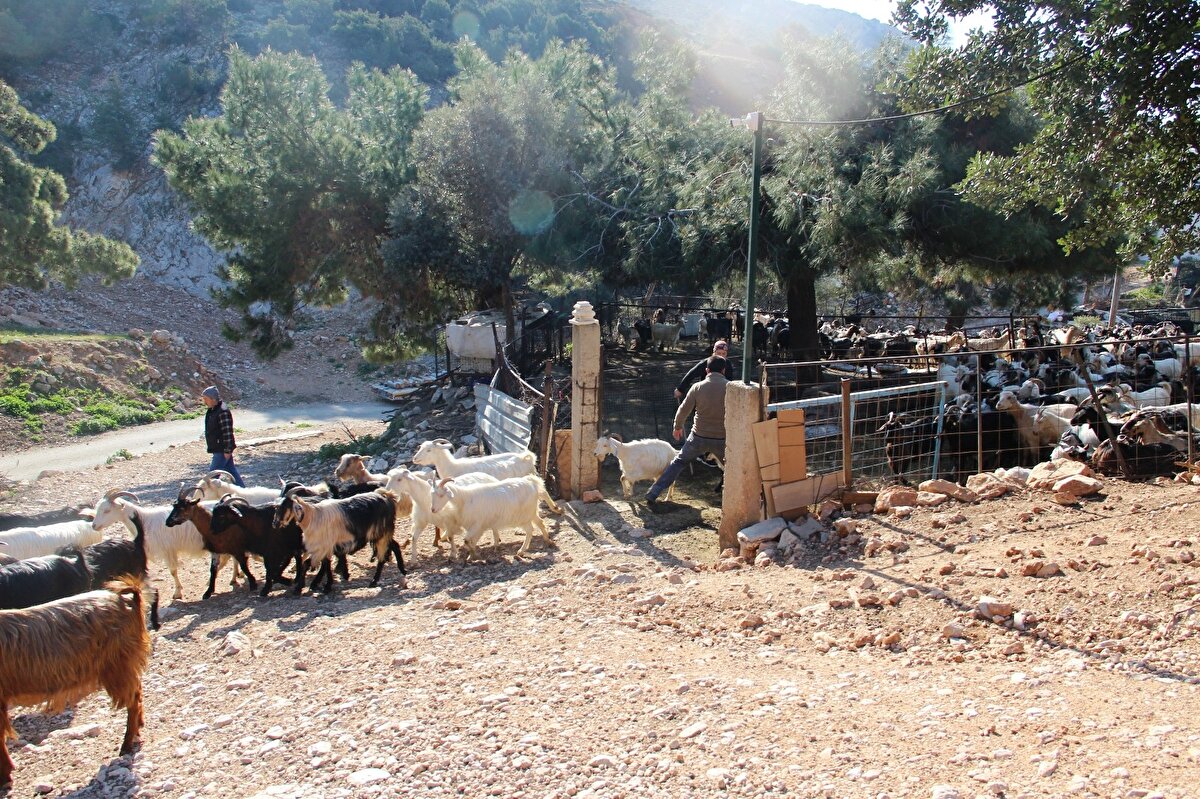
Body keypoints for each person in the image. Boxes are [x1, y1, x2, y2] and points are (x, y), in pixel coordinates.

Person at [645, 355, 728, 511]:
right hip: (721, 437)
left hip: (698, 436)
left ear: (707, 370)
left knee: (678, 462)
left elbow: (683, 410)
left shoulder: (697, 387)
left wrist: (677, 427)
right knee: (730, 467)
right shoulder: (730, 387)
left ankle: (653, 492)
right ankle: (732, 499)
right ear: (723, 370)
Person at [201, 385, 245, 487]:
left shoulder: (222, 411)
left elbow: (227, 432)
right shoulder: (213, 410)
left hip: (221, 449)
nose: (204, 402)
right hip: (218, 448)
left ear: (212, 399)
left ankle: (205, 497)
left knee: (212, 477)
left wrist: (228, 450)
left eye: (206, 399)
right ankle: (243, 492)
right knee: (231, 472)